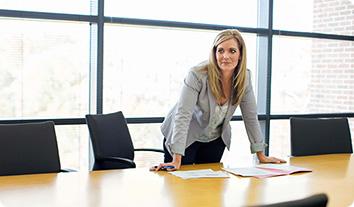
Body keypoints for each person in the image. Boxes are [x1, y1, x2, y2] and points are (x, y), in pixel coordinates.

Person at [153, 29, 285, 171]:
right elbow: (183, 115)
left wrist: (261, 155)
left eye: (232, 51)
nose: (225, 56)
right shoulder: (197, 75)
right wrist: (176, 158)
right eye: (220, 50)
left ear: (240, 54)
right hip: (185, 137)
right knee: (179, 185)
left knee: (210, 187)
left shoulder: (244, 78)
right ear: (214, 53)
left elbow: (250, 117)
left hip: (215, 139)